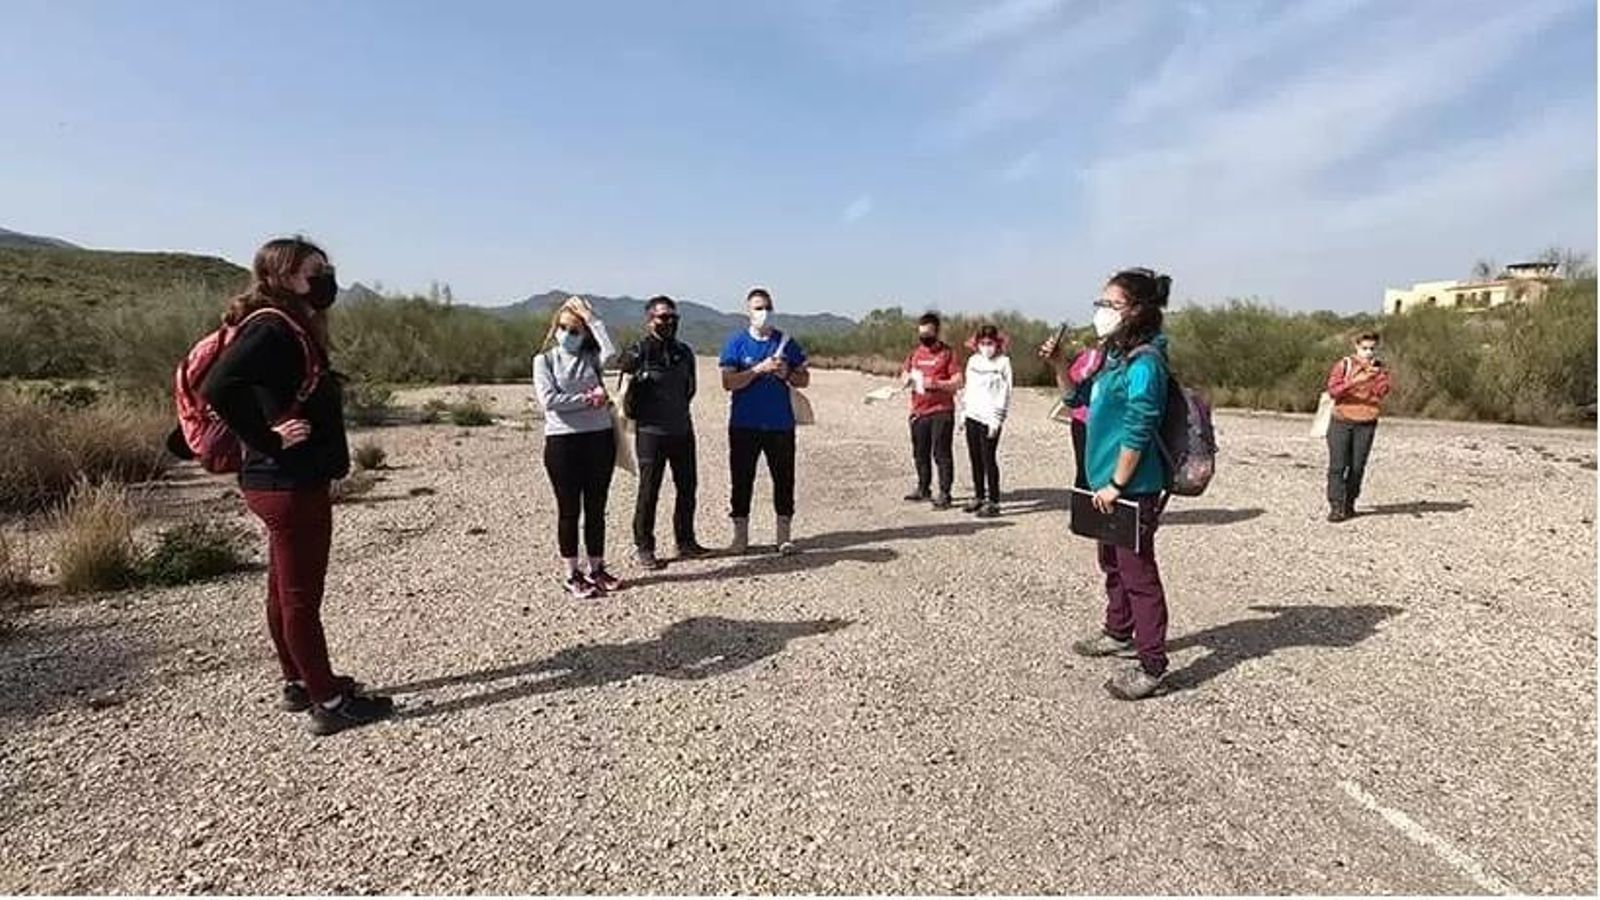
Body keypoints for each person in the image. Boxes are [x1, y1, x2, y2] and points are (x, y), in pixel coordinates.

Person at [201, 235, 394, 736]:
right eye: (315, 270)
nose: (326, 278)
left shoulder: (279, 325)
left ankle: (300, 681)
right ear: (284, 276)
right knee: (300, 595)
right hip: (288, 480)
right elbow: (219, 387)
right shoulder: (272, 329)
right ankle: (328, 701)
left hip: (279, 480)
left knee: (283, 588)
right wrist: (266, 439)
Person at [1068, 267, 1174, 701]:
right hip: (1103, 483)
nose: (1102, 312)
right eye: (1101, 304)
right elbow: (1074, 399)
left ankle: (1152, 664)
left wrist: (1116, 482)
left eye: (1111, 305)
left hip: (1130, 487)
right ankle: (1118, 630)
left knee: (1138, 573)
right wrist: (1059, 365)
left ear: (1136, 310)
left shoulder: (1146, 362)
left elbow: (1138, 428)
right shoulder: (1112, 355)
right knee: (1111, 561)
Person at [534, 297, 623, 598]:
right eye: (563, 328)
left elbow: (612, 353)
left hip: (599, 439)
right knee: (569, 510)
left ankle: (596, 568)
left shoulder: (592, 358)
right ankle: (571, 573)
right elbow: (549, 401)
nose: (568, 334)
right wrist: (588, 400)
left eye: (575, 329)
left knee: (596, 508)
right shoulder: (544, 361)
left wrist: (591, 318)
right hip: (563, 443)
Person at [617, 295, 707, 570]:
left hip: (681, 429)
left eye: (673, 317)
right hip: (651, 433)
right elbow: (623, 395)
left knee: (688, 488)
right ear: (649, 320)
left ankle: (686, 541)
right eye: (663, 317)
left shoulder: (684, 352)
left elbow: (689, 390)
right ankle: (644, 547)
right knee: (649, 490)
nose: (669, 322)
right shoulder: (637, 352)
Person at [718, 286, 810, 555]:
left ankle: (783, 537)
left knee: (784, 479)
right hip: (744, 424)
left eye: (767, 307)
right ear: (748, 312)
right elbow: (728, 382)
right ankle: (740, 538)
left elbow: (804, 379)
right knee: (742, 479)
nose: (764, 312)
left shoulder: (786, 342)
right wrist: (757, 370)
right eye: (758, 308)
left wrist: (786, 373)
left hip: (780, 425)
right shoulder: (735, 343)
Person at [1325, 331, 1392, 522]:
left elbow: (1381, 393)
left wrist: (1379, 380)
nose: (1369, 353)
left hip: (1366, 423)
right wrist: (1354, 381)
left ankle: (1349, 503)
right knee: (1338, 466)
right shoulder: (1344, 365)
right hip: (1342, 421)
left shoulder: (1380, 369)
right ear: (1356, 347)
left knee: (1357, 467)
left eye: (1372, 348)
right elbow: (1333, 391)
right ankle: (1336, 506)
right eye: (1365, 348)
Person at [899, 312, 962, 508]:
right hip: (919, 411)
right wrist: (906, 379)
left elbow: (958, 382)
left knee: (941, 453)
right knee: (920, 452)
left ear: (937, 332)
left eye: (928, 334)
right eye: (921, 335)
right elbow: (904, 373)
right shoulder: (915, 354)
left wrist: (935, 383)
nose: (924, 339)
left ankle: (945, 493)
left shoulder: (948, 354)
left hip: (941, 410)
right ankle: (923, 488)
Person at [1039, 335, 1105, 490]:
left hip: (1110, 426)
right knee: (1085, 474)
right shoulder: (1092, 357)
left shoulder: (1136, 359)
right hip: (1085, 422)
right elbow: (1072, 396)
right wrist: (1059, 363)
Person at [961, 324, 1012, 517]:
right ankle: (979, 495)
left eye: (990, 343)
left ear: (997, 343)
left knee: (988, 458)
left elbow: (1005, 393)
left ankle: (994, 501)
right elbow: (969, 387)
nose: (986, 347)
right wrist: (963, 412)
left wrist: (997, 420)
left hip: (990, 418)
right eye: (982, 343)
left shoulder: (1003, 363)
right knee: (975, 457)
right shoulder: (973, 361)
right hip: (973, 415)